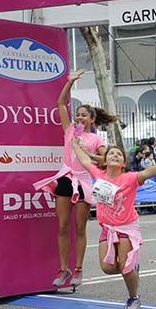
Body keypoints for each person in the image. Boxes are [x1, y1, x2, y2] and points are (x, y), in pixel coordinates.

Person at [72, 140, 156, 309]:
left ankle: (133, 297)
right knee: (107, 267)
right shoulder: (99, 175)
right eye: (111, 153)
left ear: (124, 163)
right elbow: (85, 161)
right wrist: (73, 143)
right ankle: (133, 269)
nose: (115, 155)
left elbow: (147, 172)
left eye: (119, 154)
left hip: (126, 226)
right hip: (107, 228)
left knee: (125, 266)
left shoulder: (130, 178)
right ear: (105, 160)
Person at [33, 69, 109, 289]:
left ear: (92, 119)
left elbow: (104, 160)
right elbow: (60, 104)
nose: (80, 117)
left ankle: (78, 268)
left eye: (84, 115)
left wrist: (89, 154)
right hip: (66, 179)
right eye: (78, 114)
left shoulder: (95, 139)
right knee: (63, 226)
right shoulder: (69, 131)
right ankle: (63, 268)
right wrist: (70, 82)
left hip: (83, 182)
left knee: (80, 228)